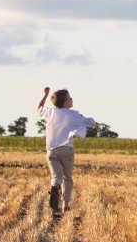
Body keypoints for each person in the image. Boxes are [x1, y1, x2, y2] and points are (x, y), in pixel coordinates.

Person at [39, 86, 97, 217]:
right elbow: (89, 122)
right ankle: (66, 205)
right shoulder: (73, 115)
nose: (72, 99)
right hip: (66, 150)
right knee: (67, 178)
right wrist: (94, 123)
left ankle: (54, 195)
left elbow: (39, 108)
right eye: (70, 98)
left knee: (56, 177)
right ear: (65, 102)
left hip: (51, 150)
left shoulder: (51, 112)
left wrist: (45, 95)